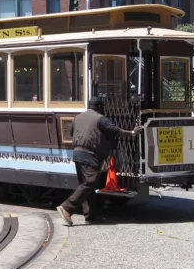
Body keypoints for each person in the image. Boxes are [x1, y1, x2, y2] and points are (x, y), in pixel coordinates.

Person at [56, 97, 141, 226]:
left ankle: (90, 216)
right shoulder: (101, 119)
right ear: (100, 107)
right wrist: (132, 133)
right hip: (89, 154)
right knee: (90, 182)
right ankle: (67, 207)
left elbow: (72, 132)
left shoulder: (78, 117)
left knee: (85, 185)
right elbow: (115, 131)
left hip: (77, 153)